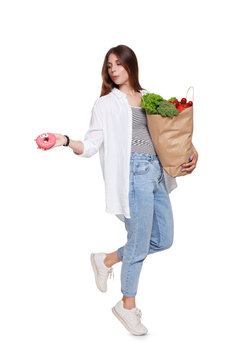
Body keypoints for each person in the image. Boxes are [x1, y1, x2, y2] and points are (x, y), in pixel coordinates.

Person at [35, 44, 199, 336]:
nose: (113, 69)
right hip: (134, 176)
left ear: (130, 65)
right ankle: (127, 306)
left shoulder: (150, 99)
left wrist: (191, 152)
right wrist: (64, 139)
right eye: (109, 65)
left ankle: (106, 259)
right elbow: (91, 145)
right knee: (138, 245)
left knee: (164, 239)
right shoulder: (105, 105)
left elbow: (170, 134)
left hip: (157, 173)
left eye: (118, 63)